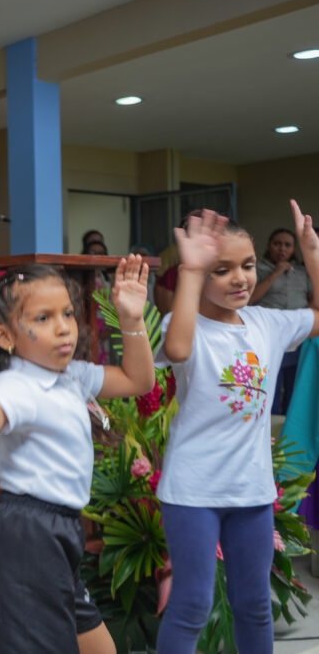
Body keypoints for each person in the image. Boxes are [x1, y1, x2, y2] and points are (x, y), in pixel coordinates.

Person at [0, 257, 155, 653]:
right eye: (42, 318)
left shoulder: (71, 375)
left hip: (60, 534)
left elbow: (139, 380)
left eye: (67, 314)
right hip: (27, 537)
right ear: (6, 337)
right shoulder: (16, 384)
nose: (63, 327)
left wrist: (130, 317)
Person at [155, 205, 319, 652]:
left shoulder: (268, 324)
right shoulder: (186, 326)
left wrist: (311, 252)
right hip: (193, 493)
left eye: (247, 266)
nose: (241, 278)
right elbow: (177, 347)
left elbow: (317, 315)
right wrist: (189, 271)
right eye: (221, 270)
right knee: (190, 604)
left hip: (251, 491)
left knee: (253, 605)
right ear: (201, 276)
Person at [250, 227, 312, 414]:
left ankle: (291, 428)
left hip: (299, 333)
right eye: (277, 244)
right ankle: (271, 426)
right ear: (269, 245)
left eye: (288, 245)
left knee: (296, 383)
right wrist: (276, 272)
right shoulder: (257, 269)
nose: (282, 249)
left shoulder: (301, 271)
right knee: (271, 385)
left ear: (294, 249)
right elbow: (251, 298)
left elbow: (312, 298)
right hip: (270, 333)